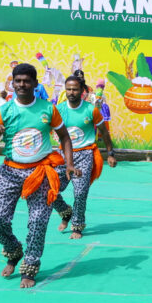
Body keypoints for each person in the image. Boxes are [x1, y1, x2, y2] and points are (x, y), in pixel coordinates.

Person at [0, 63, 78, 288]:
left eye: (26, 81)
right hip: (10, 172)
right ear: (12, 83)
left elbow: (64, 137)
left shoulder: (47, 109)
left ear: (35, 83)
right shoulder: (3, 110)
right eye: (18, 81)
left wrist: (69, 164)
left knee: (37, 221)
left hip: (41, 172)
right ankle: (13, 250)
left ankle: (30, 267)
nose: (22, 84)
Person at [51, 75, 117, 239]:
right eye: (68, 89)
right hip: (62, 155)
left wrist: (110, 153)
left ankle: (77, 226)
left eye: (75, 89)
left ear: (82, 91)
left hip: (84, 154)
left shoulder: (91, 110)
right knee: (49, 189)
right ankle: (65, 212)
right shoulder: (58, 110)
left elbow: (104, 132)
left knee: (80, 193)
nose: (71, 92)